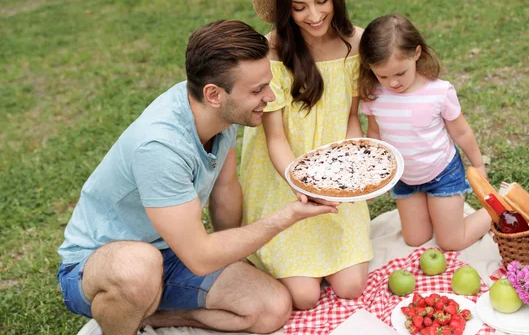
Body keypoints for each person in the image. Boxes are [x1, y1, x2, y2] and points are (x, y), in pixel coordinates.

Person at [56, 19, 339, 335]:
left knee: (271, 307)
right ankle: (120, 313)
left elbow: (225, 189)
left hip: (172, 255)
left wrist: (236, 260)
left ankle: (144, 316)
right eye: (258, 90)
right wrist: (286, 216)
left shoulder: (221, 113)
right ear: (214, 94)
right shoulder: (160, 146)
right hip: (95, 267)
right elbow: (201, 258)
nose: (271, 97)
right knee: (138, 266)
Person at [240, 0, 372, 310]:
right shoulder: (273, 52)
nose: (314, 15)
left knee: (350, 287)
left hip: (335, 175)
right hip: (285, 178)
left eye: (322, 1)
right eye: (300, 7)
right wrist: (303, 184)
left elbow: (350, 120)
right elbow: (276, 139)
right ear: (286, 9)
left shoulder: (355, 44)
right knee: (304, 297)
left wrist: (350, 170)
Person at [358, 14, 492, 251]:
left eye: (400, 73)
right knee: (415, 239)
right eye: (383, 76)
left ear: (416, 53)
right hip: (405, 180)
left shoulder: (439, 92)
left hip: (442, 174)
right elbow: (375, 135)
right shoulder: (375, 95)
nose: (393, 83)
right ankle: (435, 212)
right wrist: (372, 179)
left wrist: (478, 165)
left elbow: (461, 133)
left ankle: (497, 208)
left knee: (451, 242)